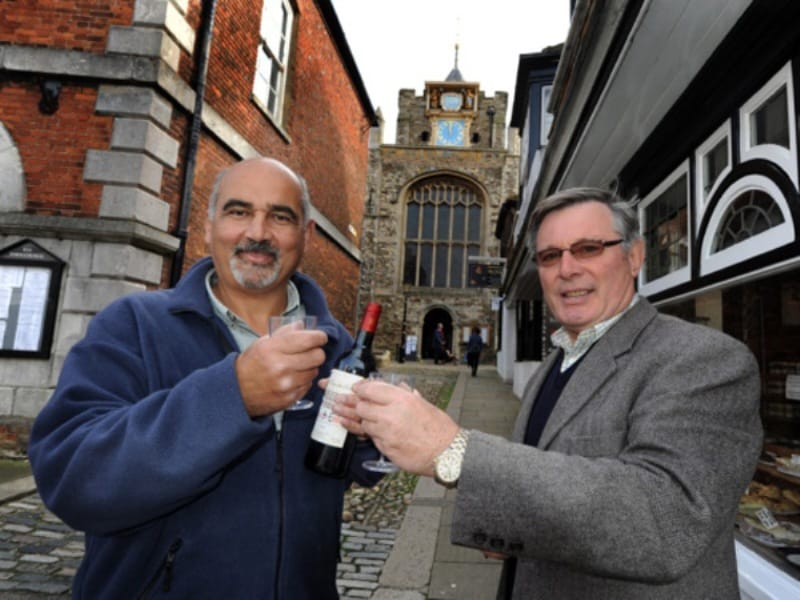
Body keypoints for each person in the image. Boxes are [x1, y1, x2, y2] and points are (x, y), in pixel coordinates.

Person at [336, 187, 763, 599]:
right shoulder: (554, 363)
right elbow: (549, 482)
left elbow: (667, 520)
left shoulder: (704, 358)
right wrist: (510, 528)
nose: (567, 269)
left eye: (589, 249)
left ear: (634, 257)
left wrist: (453, 450)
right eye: (549, 256)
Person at [28, 157, 381, 599]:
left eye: (280, 216)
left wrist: (371, 441)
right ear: (209, 223)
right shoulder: (133, 324)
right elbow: (71, 478)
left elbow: (339, 469)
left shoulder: (337, 347)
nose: (258, 232)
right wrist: (233, 396)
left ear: (305, 236)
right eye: (238, 212)